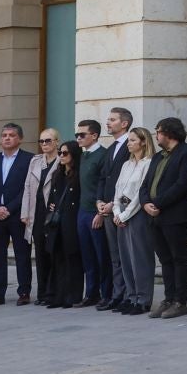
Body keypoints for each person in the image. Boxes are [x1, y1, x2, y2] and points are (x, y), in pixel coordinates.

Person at [143, 118, 187, 318]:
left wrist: (158, 203)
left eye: (158, 131)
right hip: (155, 215)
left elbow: (182, 185)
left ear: (169, 132)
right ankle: (168, 298)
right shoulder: (158, 157)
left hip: (176, 215)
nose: (156, 135)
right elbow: (146, 184)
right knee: (165, 259)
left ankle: (179, 301)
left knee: (178, 257)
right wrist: (145, 203)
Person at [0, 123, 34, 307]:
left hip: (18, 214)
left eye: (12, 135)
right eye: (4, 135)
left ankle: (24, 291)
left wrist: (9, 208)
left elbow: (27, 188)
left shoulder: (30, 160)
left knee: (22, 255)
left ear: (19, 138)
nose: (7, 138)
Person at [110, 126, 156, 315]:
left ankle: (143, 299)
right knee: (126, 258)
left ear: (144, 142)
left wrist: (125, 214)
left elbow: (139, 194)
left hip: (137, 214)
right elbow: (118, 191)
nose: (129, 144)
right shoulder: (126, 164)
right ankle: (131, 295)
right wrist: (115, 211)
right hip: (120, 213)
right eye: (128, 141)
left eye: (133, 140)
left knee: (140, 257)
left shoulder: (148, 163)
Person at [97, 107, 135, 309]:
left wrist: (115, 202)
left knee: (126, 255)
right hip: (107, 209)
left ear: (124, 123)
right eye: (108, 119)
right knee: (114, 255)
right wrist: (99, 202)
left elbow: (131, 180)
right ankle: (118, 294)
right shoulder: (110, 148)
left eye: (112, 119)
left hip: (123, 209)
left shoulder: (131, 145)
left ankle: (131, 295)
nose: (108, 123)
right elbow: (103, 177)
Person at [41, 142, 85, 307]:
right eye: (60, 153)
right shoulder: (57, 175)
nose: (61, 156)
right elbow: (52, 198)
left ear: (74, 155)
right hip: (57, 223)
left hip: (71, 222)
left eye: (65, 153)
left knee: (72, 259)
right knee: (57, 259)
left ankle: (72, 295)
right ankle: (57, 295)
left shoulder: (79, 175)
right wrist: (51, 208)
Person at [74, 118, 111, 307]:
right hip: (82, 211)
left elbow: (104, 184)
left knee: (101, 255)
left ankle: (106, 294)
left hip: (96, 212)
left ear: (94, 135)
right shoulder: (82, 155)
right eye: (77, 135)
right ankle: (91, 293)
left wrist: (101, 213)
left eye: (82, 135)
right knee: (87, 255)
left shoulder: (103, 155)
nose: (78, 138)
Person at [25, 129, 60, 306]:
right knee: (39, 254)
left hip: (53, 213)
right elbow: (27, 188)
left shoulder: (62, 160)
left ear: (56, 142)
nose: (44, 144)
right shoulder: (35, 161)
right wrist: (25, 213)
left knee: (53, 252)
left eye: (48, 141)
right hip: (36, 212)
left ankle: (54, 292)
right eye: (41, 141)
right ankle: (42, 293)